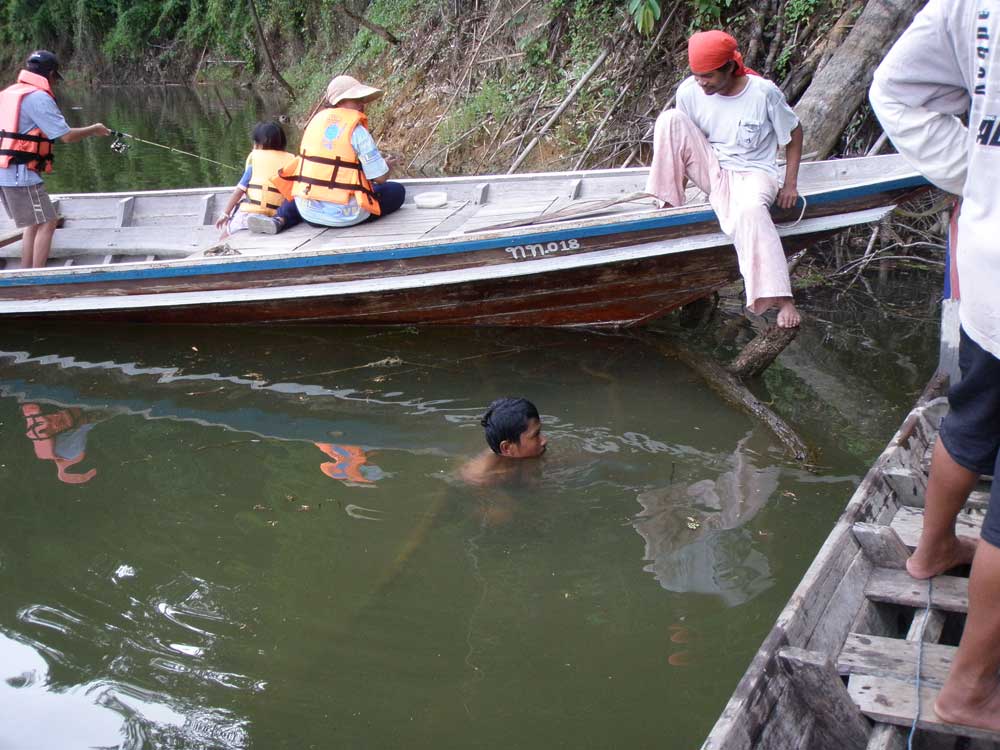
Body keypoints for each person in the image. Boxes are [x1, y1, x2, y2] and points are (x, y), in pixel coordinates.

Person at [869, 0, 1000, 731]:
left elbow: (894, 88)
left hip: (989, 258)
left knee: (976, 411)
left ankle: (932, 551)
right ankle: (970, 692)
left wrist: (978, 180)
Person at [645, 30, 803, 328]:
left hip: (754, 172)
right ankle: (666, 205)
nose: (701, 82)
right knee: (669, 120)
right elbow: (685, 140)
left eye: (708, 76)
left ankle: (783, 299)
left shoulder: (763, 92)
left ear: (730, 68)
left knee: (751, 211)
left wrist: (790, 184)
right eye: (697, 75)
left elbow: (794, 133)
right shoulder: (689, 91)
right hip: (713, 168)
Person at [248, 74, 405, 234]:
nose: (361, 104)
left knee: (301, 194)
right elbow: (379, 178)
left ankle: (280, 219)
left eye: (361, 99)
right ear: (340, 101)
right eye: (355, 99)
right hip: (346, 216)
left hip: (309, 214)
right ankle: (282, 220)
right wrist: (386, 167)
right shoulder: (357, 132)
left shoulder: (314, 124)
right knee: (397, 191)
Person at [0, 50, 110, 269]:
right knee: (48, 222)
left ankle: (25, 272)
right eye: (54, 77)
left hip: (7, 171)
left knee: (34, 222)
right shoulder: (37, 97)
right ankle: (36, 276)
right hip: (19, 173)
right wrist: (95, 129)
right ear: (50, 74)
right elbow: (66, 136)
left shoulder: (10, 92)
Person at [214, 121, 295, 239]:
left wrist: (225, 214)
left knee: (223, 238)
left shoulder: (255, 163)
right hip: (277, 214)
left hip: (250, 214)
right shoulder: (290, 162)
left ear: (260, 144)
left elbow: (238, 192)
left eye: (256, 142)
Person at [459, 397, 547, 488]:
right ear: (506, 448)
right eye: (535, 435)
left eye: (539, 431)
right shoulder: (485, 480)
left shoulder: (516, 452)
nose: (544, 440)